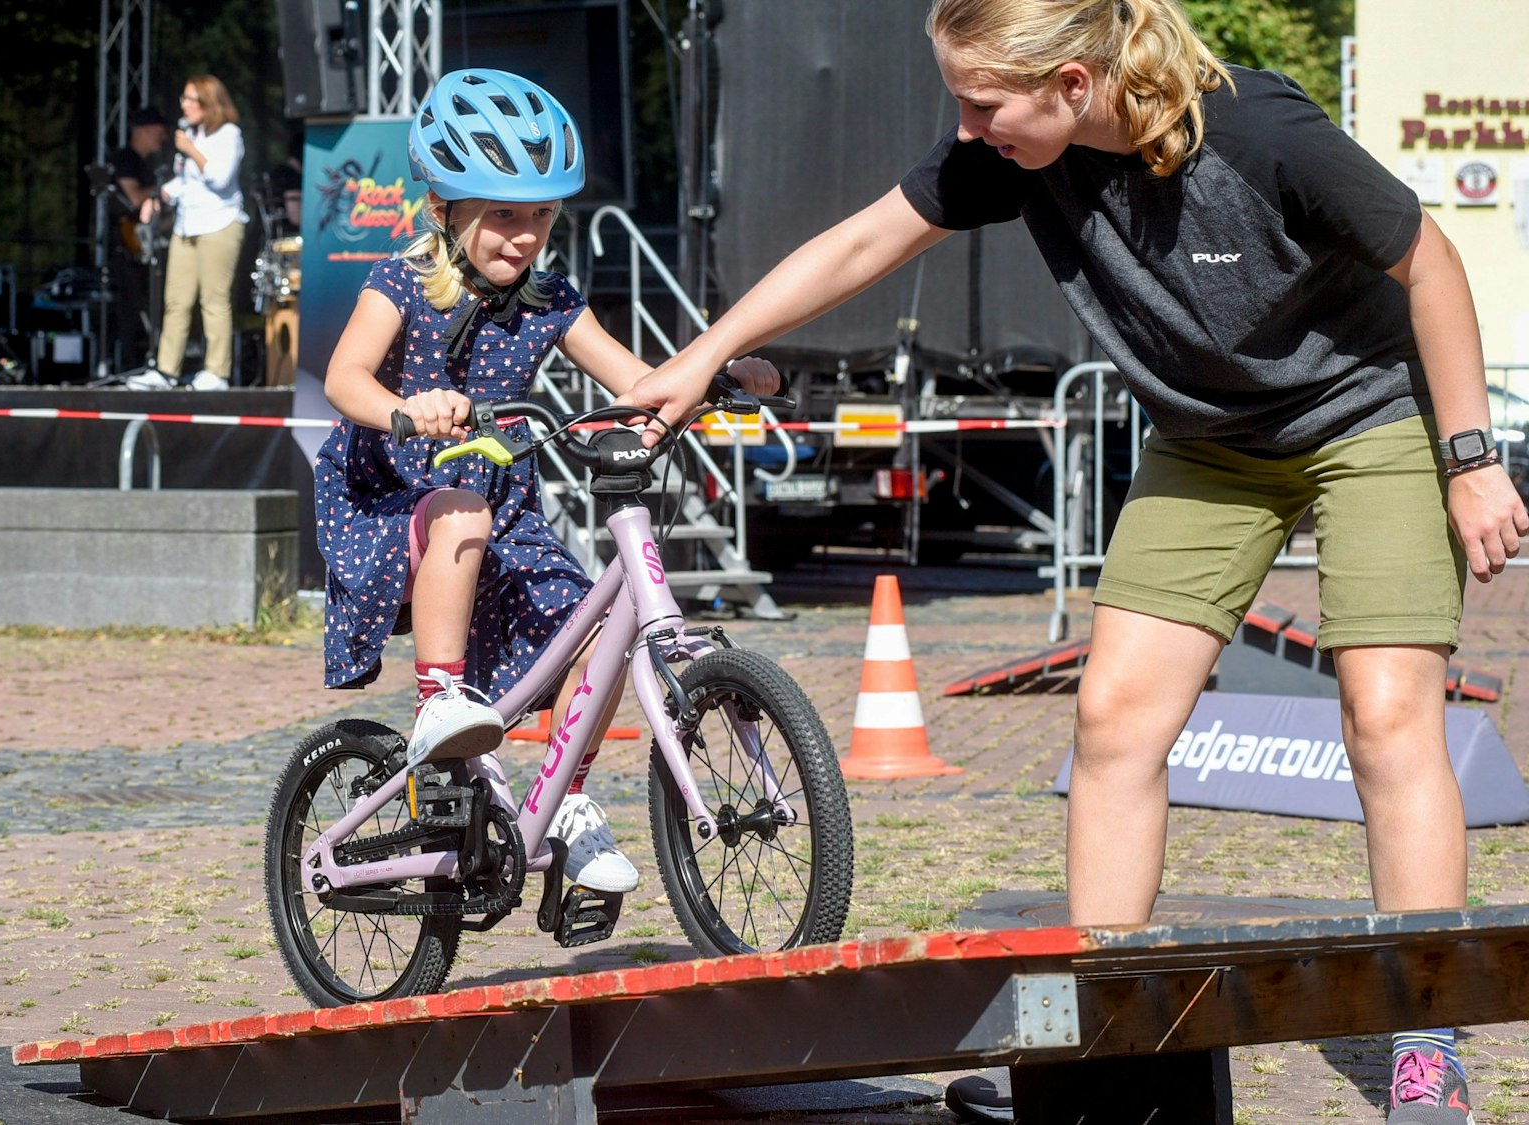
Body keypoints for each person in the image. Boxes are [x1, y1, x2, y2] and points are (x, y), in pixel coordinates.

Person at [618, 1, 1525, 1119]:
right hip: (1209, 445)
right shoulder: (1010, 157)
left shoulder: (1260, 132)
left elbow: (1428, 265)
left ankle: (1423, 1045)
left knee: (1386, 716)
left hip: (1369, 421)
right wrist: (701, 353)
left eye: (982, 101)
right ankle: (1094, 1036)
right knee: (1111, 718)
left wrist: (1469, 455)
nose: (964, 125)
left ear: (1076, 81)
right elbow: (861, 240)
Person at [316, 68, 777, 893]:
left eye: (540, 216)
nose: (524, 236)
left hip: (507, 507)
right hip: (394, 498)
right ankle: (437, 701)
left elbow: (634, 379)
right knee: (458, 510)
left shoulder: (550, 299)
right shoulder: (401, 282)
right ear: (445, 211)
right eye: (503, 216)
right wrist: (408, 409)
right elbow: (345, 377)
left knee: (601, 631)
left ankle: (564, 802)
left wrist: (710, 377)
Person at [129, 74, 247, 391]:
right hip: (187, 226)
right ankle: (166, 371)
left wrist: (191, 149)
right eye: (184, 98)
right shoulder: (192, 136)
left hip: (219, 224)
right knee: (176, 301)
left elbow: (220, 179)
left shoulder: (228, 135)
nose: (184, 104)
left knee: (214, 300)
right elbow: (185, 182)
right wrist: (157, 198)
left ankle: (217, 372)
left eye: (191, 99)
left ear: (209, 103)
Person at [107, 107, 170, 376]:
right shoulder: (125, 158)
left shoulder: (149, 165)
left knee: (147, 307)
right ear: (143, 130)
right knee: (129, 309)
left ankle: (143, 365)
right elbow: (134, 199)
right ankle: (126, 367)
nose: (164, 137)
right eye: (159, 131)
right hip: (126, 249)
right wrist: (162, 193)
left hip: (145, 249)